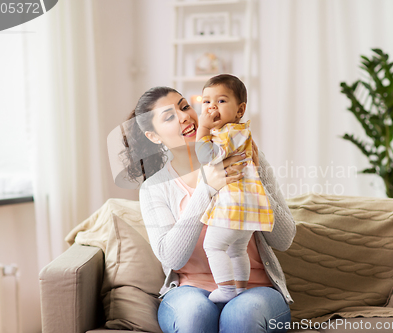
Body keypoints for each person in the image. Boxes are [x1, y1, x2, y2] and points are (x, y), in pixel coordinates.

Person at [122, 85, 296, 333]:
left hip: (254, 289)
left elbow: (284, 239)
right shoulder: (155, 187)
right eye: (170, 117)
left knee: (242, 316)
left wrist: (253, 179)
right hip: (190, 291)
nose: (184, 116)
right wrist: (207, 188)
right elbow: (172, 258)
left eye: (184, 106)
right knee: (194, 316)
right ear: (154, 136)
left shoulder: (247, 156)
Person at [195, 74, 274, 303]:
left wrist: (203, 129)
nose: (211, 108)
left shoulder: (226, 133)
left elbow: (206, 157)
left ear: (240, 110)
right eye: (206, 102)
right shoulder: (242, 132)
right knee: (237, 249)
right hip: (248, 207)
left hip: (233, 203)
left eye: (220, 101)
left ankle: (227, 289)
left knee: (213, 246)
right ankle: (240, 288)